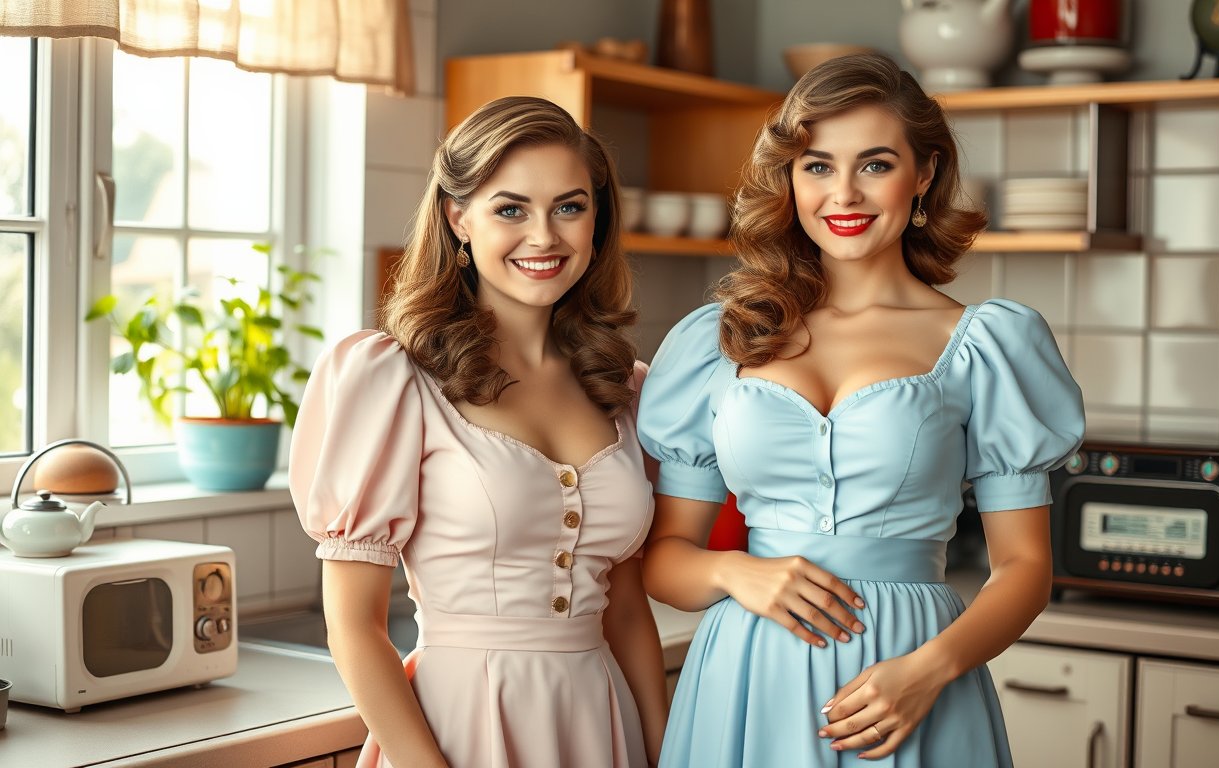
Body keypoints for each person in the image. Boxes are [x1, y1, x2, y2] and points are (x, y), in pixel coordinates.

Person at [637, 53, 1085, 767]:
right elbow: (664, 562)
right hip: (748, 682)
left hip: (911, 681)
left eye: (875, 164)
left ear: (925, 174)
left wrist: (929, 671)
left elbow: (1025, 568)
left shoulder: (984, 343)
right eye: (817, 166)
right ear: (789, 177)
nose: (843, 194)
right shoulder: (720, 339)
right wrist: (735, 573)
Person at [290, 95, 667, 768]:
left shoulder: (625, 388)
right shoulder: (392, 379)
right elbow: (353, 627)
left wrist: (667, 751)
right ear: (458, 217)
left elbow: (627, 610)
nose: (545, 236)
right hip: (460, 729)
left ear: (597, 220)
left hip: (600, 723)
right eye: (511, 208)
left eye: (570, 207)